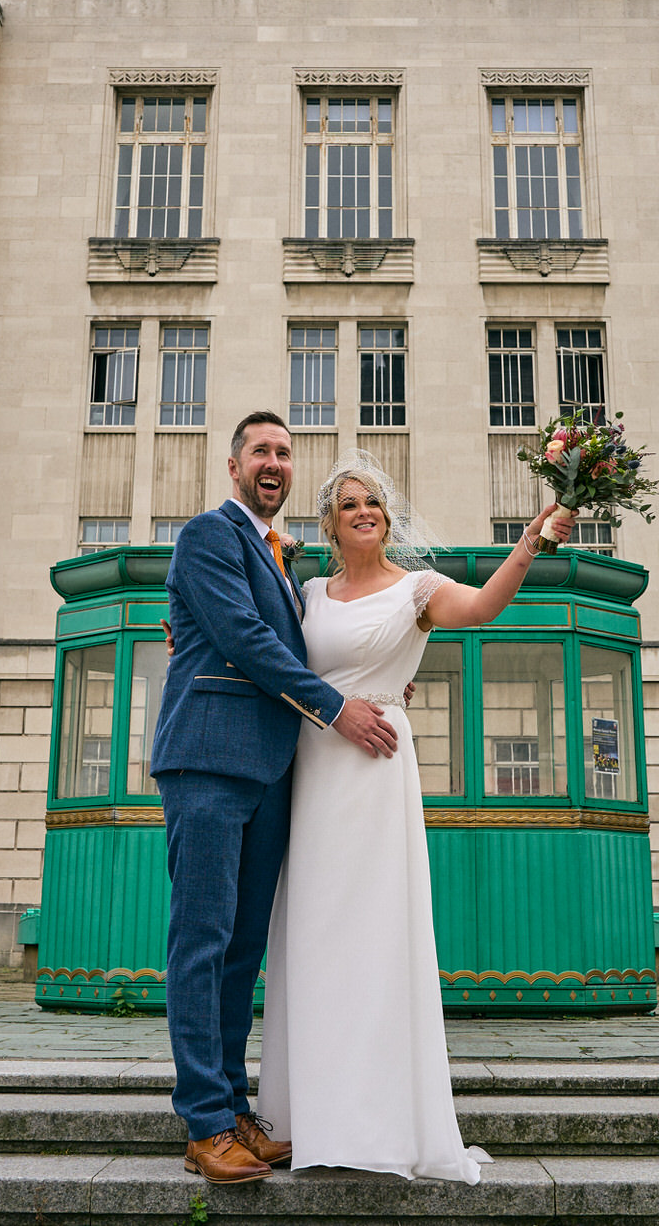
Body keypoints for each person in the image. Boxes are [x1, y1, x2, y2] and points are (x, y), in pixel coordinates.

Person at [259, 450, 572, 1183]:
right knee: (310, 936)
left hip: (375, 773)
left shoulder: (419, 590)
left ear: (386, 516)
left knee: (375, 937)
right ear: (331, 524)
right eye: (348, 505)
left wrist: (529, 542)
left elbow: (485, 606)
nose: (363, 511)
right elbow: (269, 654)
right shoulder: (307, 592)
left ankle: (376, 1123)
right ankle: (308, 1118)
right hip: (313, 766)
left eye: (372, 501)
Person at [151, 412, 399, 1184]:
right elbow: (246, 639)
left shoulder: (283, 561)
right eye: (260, 450)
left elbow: (302, 642)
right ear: (233, 466)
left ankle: (232, 1111)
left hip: (269, 771)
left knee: (240, 949)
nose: (274, 462)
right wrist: (335, 704)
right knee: (200, 940)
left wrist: (376, 681)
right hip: (208, 760)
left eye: (285, 453)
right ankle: (201, 1122)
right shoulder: (208, 536)